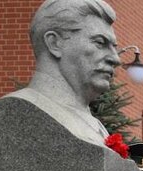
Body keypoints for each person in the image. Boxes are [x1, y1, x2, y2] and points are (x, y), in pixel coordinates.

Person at [7, 0, 121, 146]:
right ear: (54, 43)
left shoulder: (97, 127)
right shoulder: (21, 109)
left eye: (114, 47)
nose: (116, 59)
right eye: (100, 42)